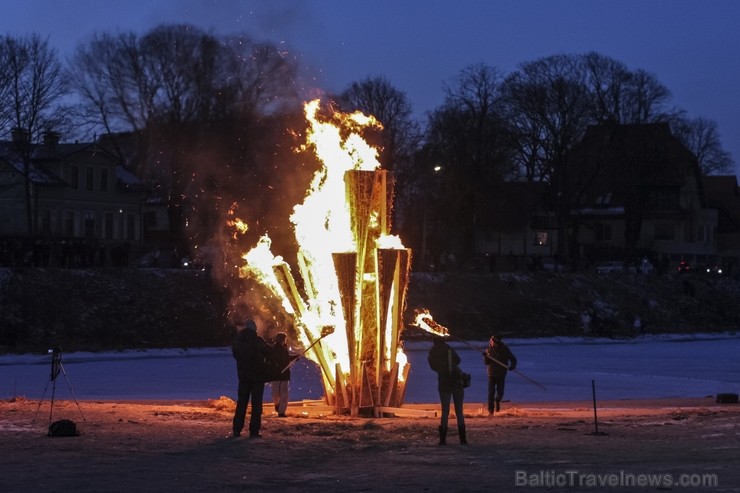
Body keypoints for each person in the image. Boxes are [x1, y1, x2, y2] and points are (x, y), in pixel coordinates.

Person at [232, 318, 270, 438]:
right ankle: (254, 431)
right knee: (256, 405)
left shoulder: (238, 341)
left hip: (243, 377)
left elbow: (236, 355)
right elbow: (269, 352)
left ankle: (236, 429)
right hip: (257, 378)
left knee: (241, 403)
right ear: (254, 329)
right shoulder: (257, 341)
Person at [427, 335, 467, 445]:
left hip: (443, 382)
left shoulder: (432, 353)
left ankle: (443, 440)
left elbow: (433, 367)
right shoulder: (449, 349)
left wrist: (441, 368)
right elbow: (458, 360)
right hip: (456, 381)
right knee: (459, 411)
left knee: (445, 411)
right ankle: (463, 439)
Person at [483, 334, 517, 415]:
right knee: (491, 392)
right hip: (491, 373)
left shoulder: (504, 349)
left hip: (501, 373)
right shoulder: (488, 350)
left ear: (496, 342)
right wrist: (485, 357)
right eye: (490, 341)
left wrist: (512, 366)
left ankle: (497, 400)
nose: (491, 342)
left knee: (500, 391)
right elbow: (486, 363)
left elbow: (513, 359)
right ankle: (490, 409)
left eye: (492, 341)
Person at [268, 332, 297, 417]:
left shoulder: (285, 348)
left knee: (284, 393)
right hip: (276, 374)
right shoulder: (273, 349)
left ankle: (281, 412)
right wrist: (276, 367)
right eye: (284, 339)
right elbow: (272, 360)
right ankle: (277, 404)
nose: (285, 341)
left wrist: (295, 357)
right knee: (276, 393)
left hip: (285, 375)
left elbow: (287, 357)